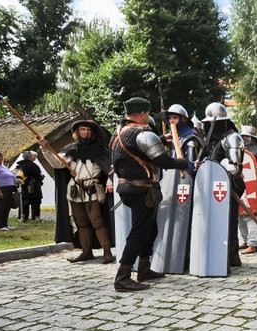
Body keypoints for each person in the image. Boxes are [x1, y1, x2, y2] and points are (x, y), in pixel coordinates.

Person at [111, 97, 192, 291]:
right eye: (146, 113)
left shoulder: (119, 132)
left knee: (150, 229)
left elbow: (134, 151)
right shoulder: (142, 133)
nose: (148, 117)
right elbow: (162, 161)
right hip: (140, 189)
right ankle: (122, 277)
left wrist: (162, 139)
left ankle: (144, 268)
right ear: (141, 114)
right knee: (139, 231)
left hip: (128, 188)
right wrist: (180, 163)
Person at [39, 120, 114, 264]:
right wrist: (45, 149)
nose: (86, 132)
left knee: (97, 221)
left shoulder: (101, 150)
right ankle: (86, 251)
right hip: (74, 190)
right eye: (83, 130)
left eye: (88, 130)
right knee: (81, 222)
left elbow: (110, 169)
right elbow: (57, 163)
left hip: (93, 189)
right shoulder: (70, 149)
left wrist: (110, 181)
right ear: (77, 132)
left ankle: (107, 251)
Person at [202, 102, 246, 268]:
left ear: (224, 122)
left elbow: (235, 167)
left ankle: (232, 256)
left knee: (230, 219)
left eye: (215, 124)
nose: (211, 127)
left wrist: (219, 165)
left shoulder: (232, 138)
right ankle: (221, 253)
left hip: (231, 184)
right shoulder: (213, 141)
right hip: (216, 185)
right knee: (218, 220)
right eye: (209, 124)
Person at [238, 124, 257, 255]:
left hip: (254, 188)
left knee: (251, 215)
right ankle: (245, 241)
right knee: (240, 217)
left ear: (253, 138)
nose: (244, 138)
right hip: (241, 185)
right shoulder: (238, 151)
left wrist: (253, 167)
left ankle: (253, 244)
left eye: (247, 136)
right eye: (242, 136)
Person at [16, 151, 44, 222]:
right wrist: (41, 178)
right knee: (36, 202)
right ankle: (36, 217)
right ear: (29, 157)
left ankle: (23, 217)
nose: (35, 157)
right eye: (34, 156)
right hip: (34, 186)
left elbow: (17, 175)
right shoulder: (33, 165)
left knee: (25, 201)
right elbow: (38, 176)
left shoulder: (19, 165)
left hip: (24, 185)